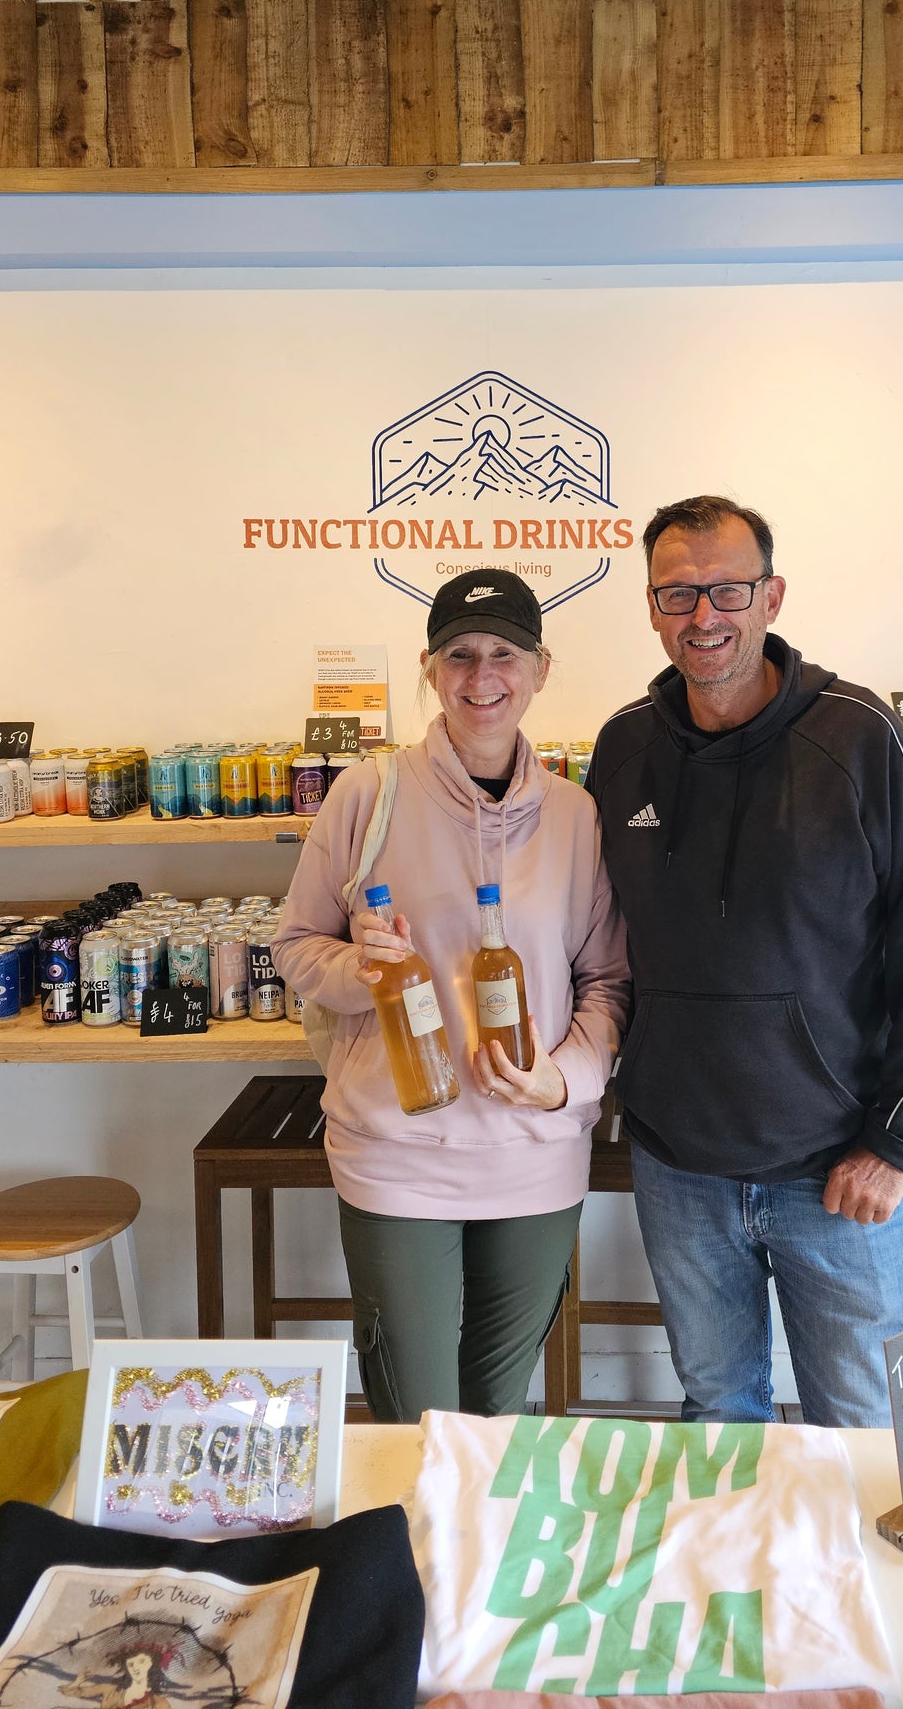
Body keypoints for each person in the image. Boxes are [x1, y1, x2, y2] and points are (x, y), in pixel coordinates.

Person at [587, 495, 903, 1427]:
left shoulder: (857, 737)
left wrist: (898, 1140)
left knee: (865, 1426)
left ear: (773, 595)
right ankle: (737, 1579)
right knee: (718, 1413)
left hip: (834, 1166)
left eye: (728, 589)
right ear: (650, 607)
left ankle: (860, 1582)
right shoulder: (624, 749)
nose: (704, 617)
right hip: (679, 1165)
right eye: (678, 595)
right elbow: (593, 936)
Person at [274, 568, 628, 1424]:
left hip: (535, 1159)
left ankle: (476, 1560)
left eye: (504, 654)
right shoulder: (367, 796)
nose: (482, 678)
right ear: (429, 669)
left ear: (541, 669)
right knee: (419, 1427)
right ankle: (411, 1561)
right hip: (399, 1158)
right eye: (459, 656)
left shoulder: (579, 816)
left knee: (494, 1418)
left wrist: (565, 1081)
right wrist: (364, 973)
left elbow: (608, 981)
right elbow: (296, 949)